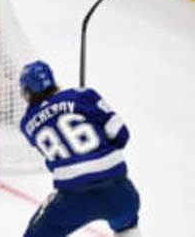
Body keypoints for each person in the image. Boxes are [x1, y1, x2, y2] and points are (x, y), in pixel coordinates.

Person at [19, 60, 141, 237]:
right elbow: (121, 135)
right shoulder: (83, 95)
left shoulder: (27, 124)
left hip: (73, 198)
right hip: (119, 191)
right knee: (127, 225)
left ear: (27, 92)